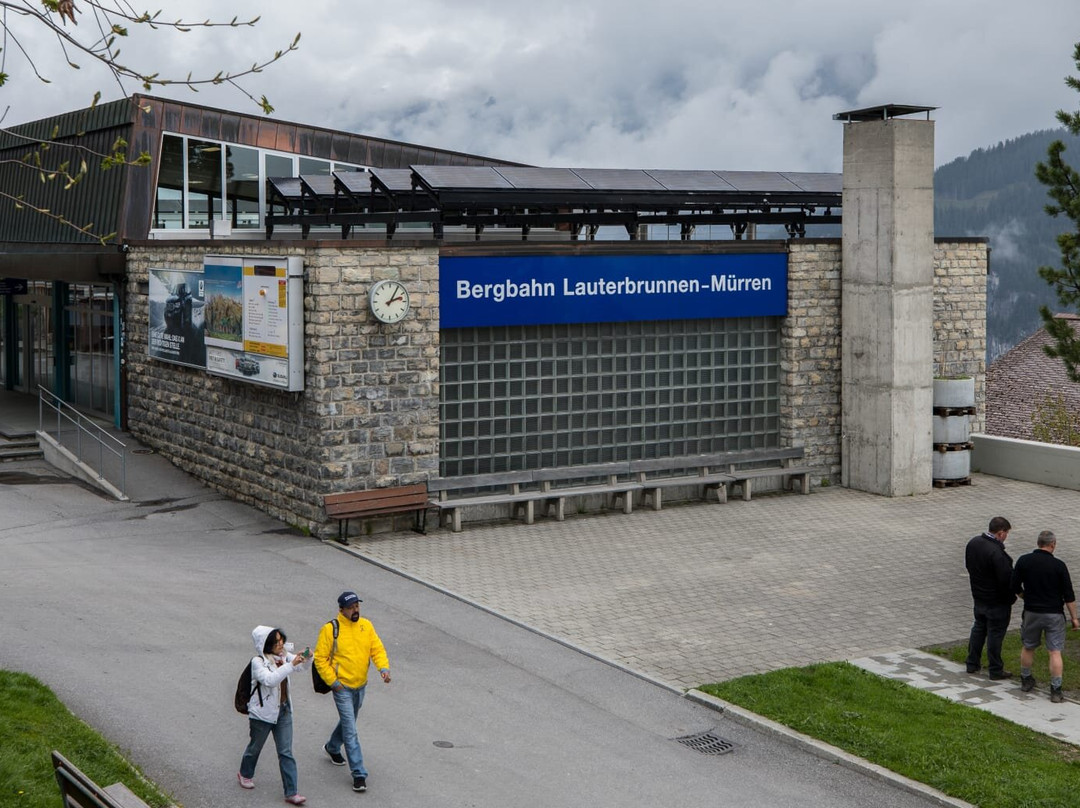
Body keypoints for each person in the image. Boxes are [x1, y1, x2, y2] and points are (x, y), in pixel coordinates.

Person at [314, 591, 391, 793]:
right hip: (342, 688)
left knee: (349, 722)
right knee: (350, 729)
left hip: (360, 686)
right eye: (351, 607)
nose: (355, 610)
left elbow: (377, 649)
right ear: (341, 610)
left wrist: (383, 668)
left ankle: (332, 747)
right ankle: (359, 774)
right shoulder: (330, 630)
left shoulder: (366, 625)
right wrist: (334, 682)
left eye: (357, 606)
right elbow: (320, 659)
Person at [238, 626, 311, 805]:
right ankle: (245, 773)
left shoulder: (284, 656)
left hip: (283, 711)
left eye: (281, 640)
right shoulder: (258, 662)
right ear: (266, 644)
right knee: (255, 748)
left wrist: (308, 658)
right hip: (262, 715)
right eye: (276, 641)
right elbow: (271, 680)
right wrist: (290, 665)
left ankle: (291, 792)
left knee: (286, 751)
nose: (281, 644)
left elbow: (302, 668)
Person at [1011, 530, 1080, 703]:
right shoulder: (1059, 566)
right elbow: (1068, 595)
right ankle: (1056, 690)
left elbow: (1013, 584)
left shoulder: (1024, 561)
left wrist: (1024, 596)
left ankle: (1026, 681)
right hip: (1054, 614)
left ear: (1038, 543)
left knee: (1028, 647)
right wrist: (1074, 618)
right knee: (1054, 651)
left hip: (1031, 612)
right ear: (1053, 544)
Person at [965, 516, 1016, 679]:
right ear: (1001, 533)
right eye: (1006, 533)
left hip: (979, 596)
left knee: (978, 628)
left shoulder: (973, 543)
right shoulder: (996, 553)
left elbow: (969, 566)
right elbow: (1005, 579)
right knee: (995, 634)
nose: (1006, 536)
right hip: (997, 601)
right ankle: (995, 669)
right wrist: (1012, 597)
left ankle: (972, 663)